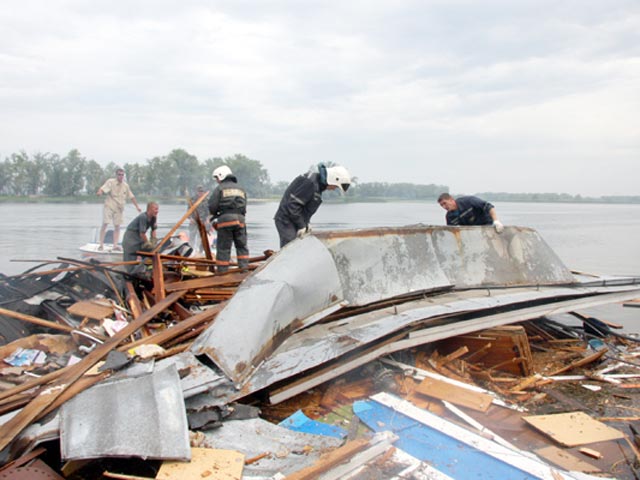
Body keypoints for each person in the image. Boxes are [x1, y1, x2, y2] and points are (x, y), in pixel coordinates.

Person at [274, 163, 351, 248]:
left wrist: (306, 224)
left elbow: (304, 208)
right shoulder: (310, 183)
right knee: (290, 248)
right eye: (335, 186)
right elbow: (293, 205)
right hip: (286, 219)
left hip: (294, 220)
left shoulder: (317, 186)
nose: (334, 189)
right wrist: (302, 225)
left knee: (300, 248)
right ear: (333, 179)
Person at [208, 165, 249, 272]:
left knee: (223, 248)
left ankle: (222, 274)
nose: (217, 181)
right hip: (241, 220)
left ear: (221, 176)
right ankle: (244, 271)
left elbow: (212, 207)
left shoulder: (220, 188)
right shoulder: (241, 189)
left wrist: (216, 214)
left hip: (226, 221)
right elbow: (244, 207)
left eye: (217, 178)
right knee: (242, 247)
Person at [97, 167, 141, 251]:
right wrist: (100, 192)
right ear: (116, 175)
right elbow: (103, 188)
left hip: (119, 208)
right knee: (105, 223)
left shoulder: (125, 185)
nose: (121, 176)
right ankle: (101, 244)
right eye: (119, 175)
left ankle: (115, 245)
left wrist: (137, 207)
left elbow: (131, 196)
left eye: (122, 175)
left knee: (117, 226)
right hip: (109, 205)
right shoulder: (111, 182)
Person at [437, 193, 504, 233]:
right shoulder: (449, 217)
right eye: (441, 205)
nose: (444, 206)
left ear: (451, 199)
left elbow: (488, 206)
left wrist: (496, 221)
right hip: (471, 232)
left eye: (445, 203)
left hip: (486, 225)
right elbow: (452, 230)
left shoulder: (468, 201)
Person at [187, 185, 212, 255]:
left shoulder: (207, 201)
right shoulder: (192, 200)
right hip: (194, 221)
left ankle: (200, 252)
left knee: (202, 238)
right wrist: (190, 218)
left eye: (202, 192)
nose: (200, 193)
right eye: (199, 191)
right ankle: (190, 251)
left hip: (204, 222)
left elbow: (210, 212)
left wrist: (208, 219)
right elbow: (188, 212)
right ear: (197, 192)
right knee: (192, 236)